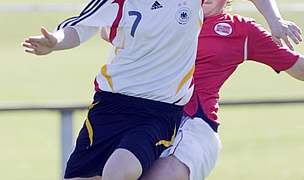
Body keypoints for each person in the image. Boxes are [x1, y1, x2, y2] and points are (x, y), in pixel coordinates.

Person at [22, 0, 205, 179]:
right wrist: (55, 41)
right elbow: (81, 26)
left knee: (117, 171)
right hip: (111, 106)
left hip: (158, 112)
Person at [140, 0, 304, 180]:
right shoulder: (162, 16)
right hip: (144, 117)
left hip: (194, 125)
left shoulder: (241, 30)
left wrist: (275, 20)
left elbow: (299, 67)